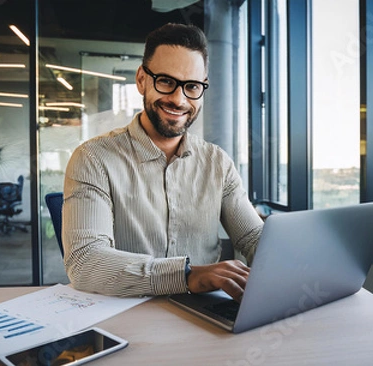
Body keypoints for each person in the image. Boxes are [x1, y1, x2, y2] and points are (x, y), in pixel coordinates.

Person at [62, 23, 263, 302]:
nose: (179, 99)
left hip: (204, 314)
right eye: (166, 81)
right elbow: (85, 262)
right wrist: (187, 275)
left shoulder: (218, 163)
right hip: (127, 312)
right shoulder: (93, 159)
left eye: (192, 86)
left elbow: (254, 239)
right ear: (142, 80)